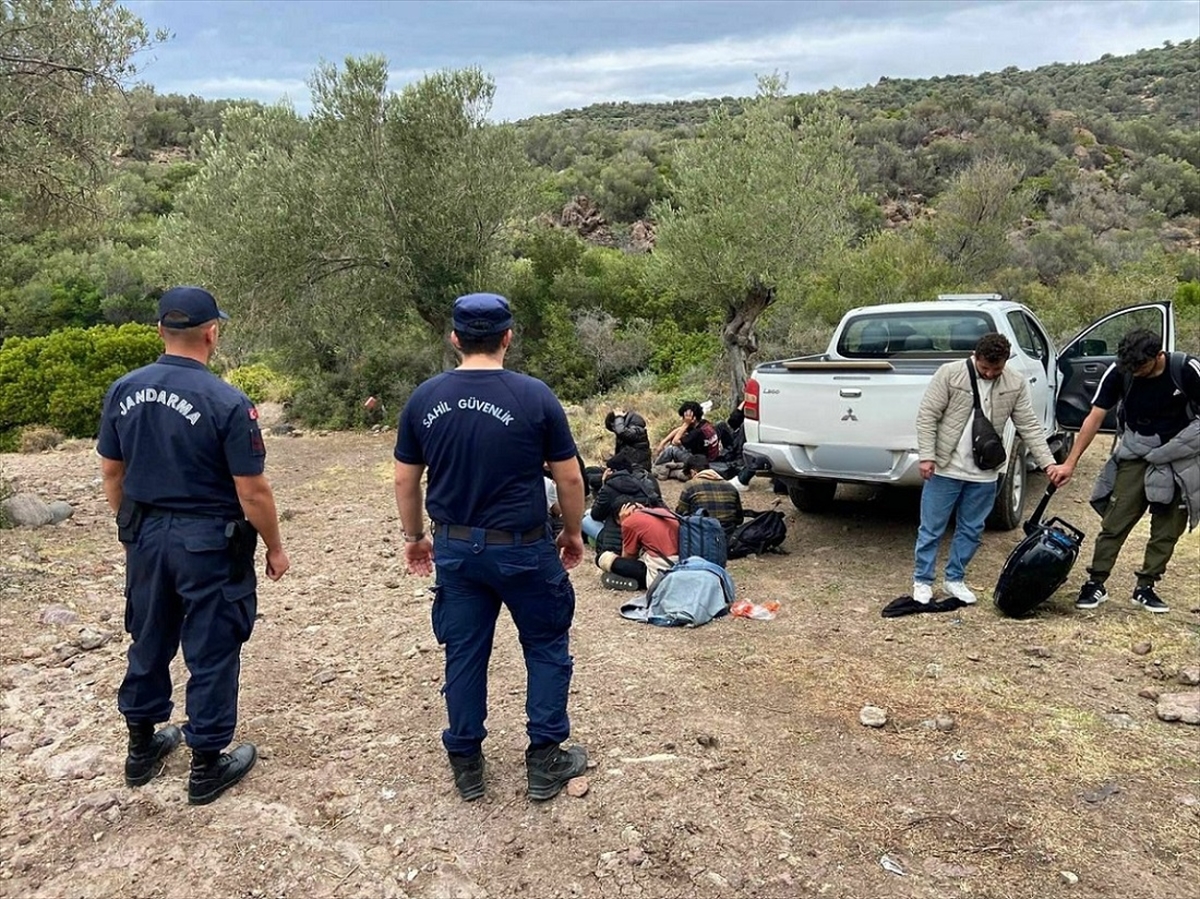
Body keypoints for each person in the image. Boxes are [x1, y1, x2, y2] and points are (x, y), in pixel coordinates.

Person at [96, 286, 290, 805]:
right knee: (212, 645)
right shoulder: (227, 401)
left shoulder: (123, 390)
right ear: (212, 333)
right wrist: (274, 545)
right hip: (207, 539)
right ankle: (206, 763)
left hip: (146, 533)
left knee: (149, 633)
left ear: (160, 331)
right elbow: (252, 490)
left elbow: (112, 470)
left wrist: (131, 528)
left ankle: (141, 749)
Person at [393, 292, 588, 803]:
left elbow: (405, 481)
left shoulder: (424, 398)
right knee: (545, 646)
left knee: (464, 653)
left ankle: (466, 763)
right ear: (507, 337)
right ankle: (545, 760)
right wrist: (571, 532)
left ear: (455, 338)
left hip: (457, 551)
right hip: (523, 548)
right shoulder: (535, 397)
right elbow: (569, 477)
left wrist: (416, 539)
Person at [911, 332, 1063, 605]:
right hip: (946, 467)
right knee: (932, 527)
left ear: (1005, 361)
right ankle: (922, 580)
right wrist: (927, 456)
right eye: (985, 368)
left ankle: (955, 578)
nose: (991, 373)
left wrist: (1048, 463)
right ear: (975, 357)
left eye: (997, 368)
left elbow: (1027, 424)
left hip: (984, 471)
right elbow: (927, 415)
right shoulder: (950, 373)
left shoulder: (1014, 382)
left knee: (972, 528)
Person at [1058, 329, 1200, 614]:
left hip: (1179, 455)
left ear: (1158, 356)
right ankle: (1096, 582)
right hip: (1135, 450)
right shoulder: (1120, 371)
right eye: (1130, 368)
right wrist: (1070, 462)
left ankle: (1146, 587)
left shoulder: (1185, 369)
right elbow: (1095, 415)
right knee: (1115, 521)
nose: (1134, 373)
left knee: (1167, 526)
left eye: (1141, 368)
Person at [586, 456, 662, 588]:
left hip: (618, 541)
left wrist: (603, 484)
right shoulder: (644, 483)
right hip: (644, 540)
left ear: (611, 471)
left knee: (586, 519)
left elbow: (596, 514)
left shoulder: (609, 487)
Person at [596, 502, 680, 591]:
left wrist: (624, 523)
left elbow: (628, 558)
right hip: (679, 564)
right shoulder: (661, 511)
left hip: (659, 571)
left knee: (603, 558)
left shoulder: (629, 522)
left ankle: (637, 582)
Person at [652, 401, 720, 479]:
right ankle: (669, 468)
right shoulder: (704, 424)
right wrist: (663, 442)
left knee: (672, 449)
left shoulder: (696, 433)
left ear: (693, 419)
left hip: (700, 461)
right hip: (707, 458)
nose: (683, 420)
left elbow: (675, 441)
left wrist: (686, 424)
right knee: (679, 440)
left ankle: (655, 467)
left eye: (684, 418)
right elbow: (679, 429)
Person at [676, 462, 744, 534]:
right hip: (728, 535)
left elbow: (680, 514)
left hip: (701, 536)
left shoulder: (690, 485)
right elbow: (739, 519)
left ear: (693, 472)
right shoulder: (730, 486)